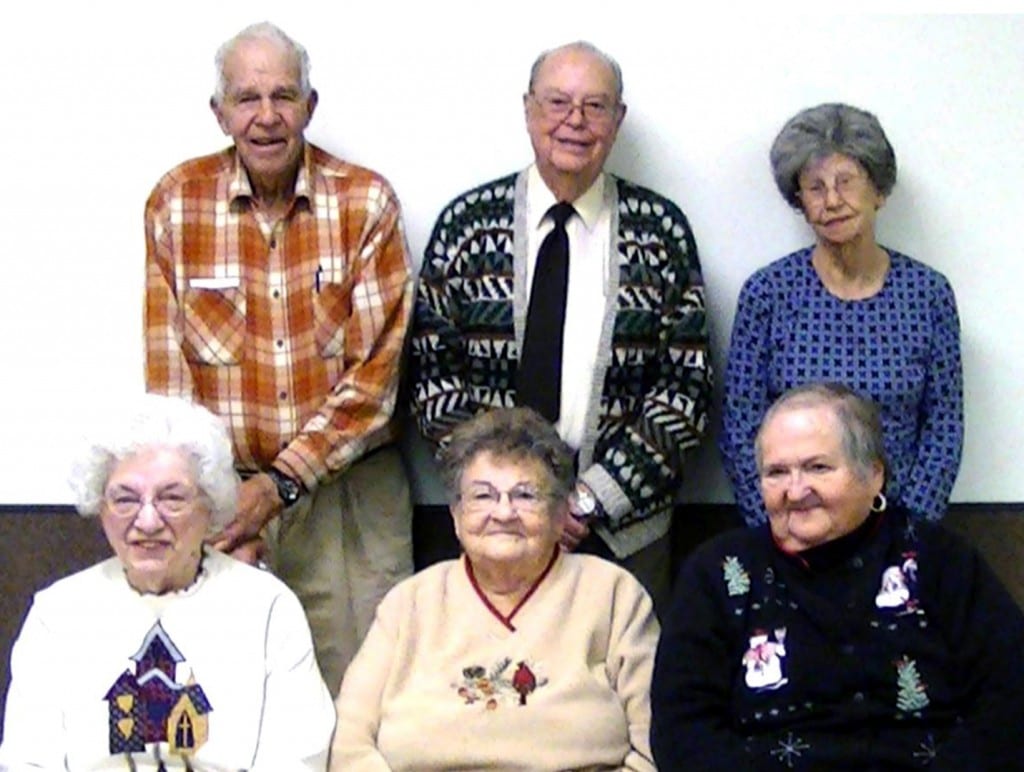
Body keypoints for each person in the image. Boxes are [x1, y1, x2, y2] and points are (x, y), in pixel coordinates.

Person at [144, 21, 414, 695]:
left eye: (284, 96)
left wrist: (282, 484)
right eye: (246, 98)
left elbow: (376, 381)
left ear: (310, 106)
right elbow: (167, 382)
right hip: (224, 497)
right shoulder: (175, 202)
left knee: (362, 695)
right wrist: (213, 503)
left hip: (349, 494)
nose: (266, 116)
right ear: (220, 113)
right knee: (228, 695)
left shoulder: (366, 202)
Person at [410, 40, 711, 612]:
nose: (575, 121)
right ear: (528, 110)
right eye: (558, 103)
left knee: (624, 695)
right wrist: (515, 497)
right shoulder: (467, 225)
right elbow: (433, 383)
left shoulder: (661, 231)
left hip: (626, 535)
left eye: (595, 106)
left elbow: (685, 391)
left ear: (617, 120)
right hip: (493, 531)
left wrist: (587, 502)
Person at [652, 384, 1024, 770]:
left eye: (818, 467)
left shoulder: (939, 560)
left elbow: (1009, 697)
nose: (795, 491)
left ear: (874, 474)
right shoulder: (718, 573)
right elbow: (683, 729)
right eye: (777, 472)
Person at [0, 395, 334, 770]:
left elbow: (297, 758)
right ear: (100, 508)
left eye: (172, 499)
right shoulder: (58, 614)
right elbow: (27, 761)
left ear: (209, 506)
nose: (147, 522)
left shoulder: (268, 607)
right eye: (124, 499)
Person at [332, 407, 659, 771]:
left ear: (558, 515)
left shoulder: (613, 595)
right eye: (483, 496)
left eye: (525, 495)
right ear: (456, 516)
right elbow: (349, 743)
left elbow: (656, 747)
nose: (503, 513)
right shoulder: (408, 603)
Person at [721, 102, 963, 526]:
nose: (832, 201)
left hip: (897, 529)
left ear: (879, 191)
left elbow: (944, 428)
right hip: (789, 531)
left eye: (846, 182)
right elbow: (741, 428)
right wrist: (778, 528)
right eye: (814, 187)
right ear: (799, 200)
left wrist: (907, 534)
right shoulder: (768, 293)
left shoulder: (928, 294)